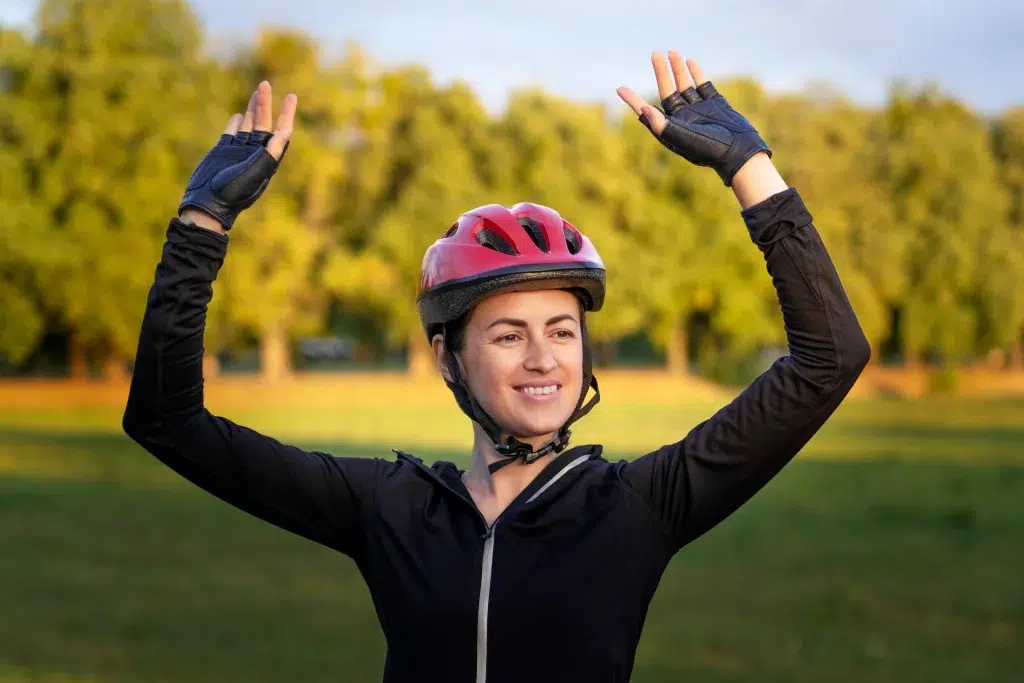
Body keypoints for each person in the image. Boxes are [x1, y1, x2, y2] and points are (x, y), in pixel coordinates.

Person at [123, 51, 870, 683]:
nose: (544, 357)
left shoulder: (638, 507)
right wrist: (201, 226)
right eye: (509, 335)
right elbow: (167, 422)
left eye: (562, 331)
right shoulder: (389, 507)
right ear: (448, 356)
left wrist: (751, 170)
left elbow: (830, 358)